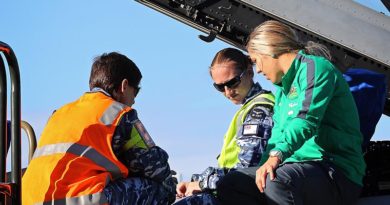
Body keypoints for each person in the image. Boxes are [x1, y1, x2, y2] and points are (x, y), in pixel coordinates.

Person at [217, 20, 366, 205]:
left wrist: (276, 156)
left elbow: (305, 120)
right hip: (297, 168)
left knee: (277, 180)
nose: (260, 70)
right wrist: (263, 166)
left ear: (269, 50)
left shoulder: (315, 68)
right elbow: (276, 136)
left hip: (335, 170)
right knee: (232, 184)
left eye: (256, 61)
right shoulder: (282, 90)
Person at [22, 52, 176, 205]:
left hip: (30, 200)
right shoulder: (119, 114)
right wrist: (173, 185)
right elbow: (155, 167)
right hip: (80, 201)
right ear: (124, 86)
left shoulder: (59, 113)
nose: (134, 101)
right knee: (161, 190)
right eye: (135, 92)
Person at [174, 48, 274, 205]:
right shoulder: (248, 108)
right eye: (220, 87)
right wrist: (197, 182)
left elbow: (247, 169)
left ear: (249, 72)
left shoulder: (259, 110)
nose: (228, 92)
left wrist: (201, 184)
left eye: (232, 82)